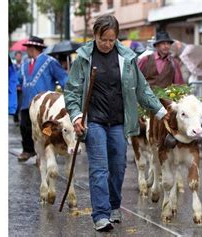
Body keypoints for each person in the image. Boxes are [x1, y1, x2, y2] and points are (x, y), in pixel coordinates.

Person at [64, 14, 167, 232]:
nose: (108, 44)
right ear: (95, 35)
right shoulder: (83, 58)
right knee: (100, 168)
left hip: (119, 122)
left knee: (118, 167)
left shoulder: (126, 58)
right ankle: (100, 215)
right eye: (104, 39)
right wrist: (76, 116)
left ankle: (113, 206)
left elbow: (141, 88)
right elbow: (72, 91)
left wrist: (160, 110)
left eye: (112, 40)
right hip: (95, 122)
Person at [17, 36, 68, 161]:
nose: (27, 50)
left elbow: (63, 78)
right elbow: (19, 79)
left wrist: (67, 94)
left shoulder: (50, 62)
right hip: (26, 102)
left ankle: (44, 153)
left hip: (44, 105)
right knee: (25, 126)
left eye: (28, 47)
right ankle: (28, 150)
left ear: (34, 48)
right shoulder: (24, 64)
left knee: (44, 129)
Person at [13, 51, 24, 123]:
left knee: (20, 103)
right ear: (15, 57)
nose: (18, 57)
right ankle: (15, 117)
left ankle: (19, 118)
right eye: (17, 56)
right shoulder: (13, 66)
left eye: (20, 56)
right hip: (14, 88)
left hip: (21, 88)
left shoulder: (23, 66)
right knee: (15, 103)